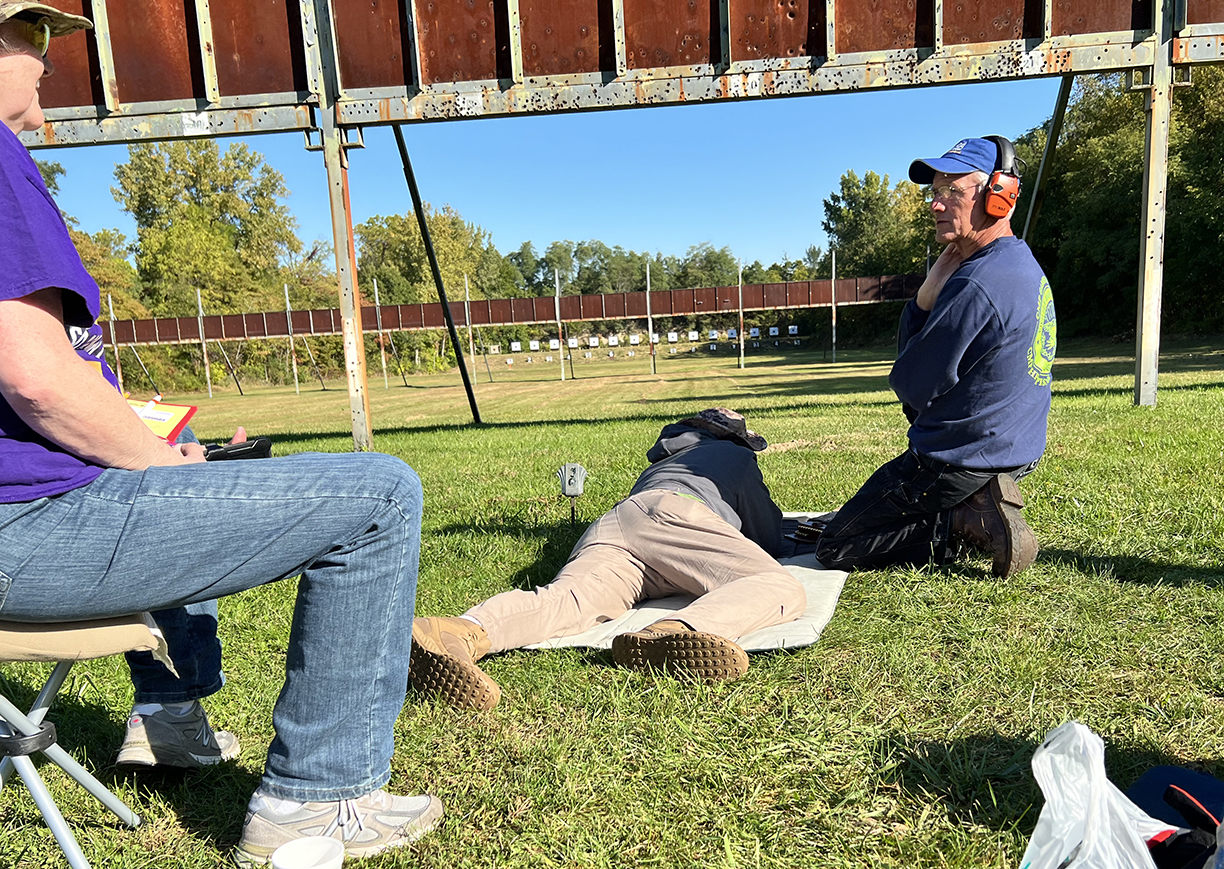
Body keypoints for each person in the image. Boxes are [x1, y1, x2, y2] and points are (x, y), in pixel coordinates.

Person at [0, 6, 441, 864]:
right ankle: (320, 798)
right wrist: (158, 460)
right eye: (29, 37)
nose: (48, 60)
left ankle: (171, 717)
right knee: (381, 494)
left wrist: (161, 457)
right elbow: (34, 376)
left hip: (30, 515)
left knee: (177, 475)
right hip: (23, 530)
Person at [409, 408, 807, 711]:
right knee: (777, 584)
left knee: (564, 601)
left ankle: (456, 631)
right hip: (677, 517)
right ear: (735, 439)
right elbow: (767, 533)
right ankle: (673, 632)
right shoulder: (731, 455)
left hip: (617, 524)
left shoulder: (665, 460)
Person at [815, 136, 1057, 578]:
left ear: (998, 195)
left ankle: (964, 520)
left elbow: (911, 385)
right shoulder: (1019, 263)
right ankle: (975, 497)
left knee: (838, 543)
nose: (936, 203)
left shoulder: (975, 283)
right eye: (935, 191)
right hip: (1017, 450)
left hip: (957, 458)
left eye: (953, 191)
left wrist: (922, 302)